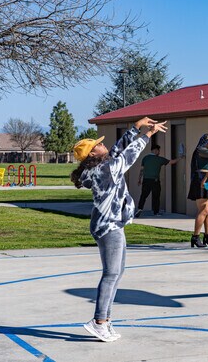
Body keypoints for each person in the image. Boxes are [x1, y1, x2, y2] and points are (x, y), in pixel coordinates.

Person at [70, 117, 167, 342]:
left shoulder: (101, 165)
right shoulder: (106, 169)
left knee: (117, 273)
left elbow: (117, 150)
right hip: (108, 226)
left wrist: (135, 127)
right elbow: (127, 156)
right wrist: (147, 135)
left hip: (113, 224)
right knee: (111, 274)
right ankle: (99, 322)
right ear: (93, 154)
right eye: (98, 144)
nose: (104, 144)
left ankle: (105, 320)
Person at [135, 144, 178, 216]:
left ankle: (139, 209)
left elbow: (142, 170)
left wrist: (139, 179)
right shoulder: (159, 159)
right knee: (156, 197)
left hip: (146, 180)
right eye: (159, 151)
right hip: (155, 181)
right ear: (156, 150)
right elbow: (172, 162)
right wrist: (181, 157)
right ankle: (156, 212)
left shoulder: (145, 158)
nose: (159, 152)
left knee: (143, 196)